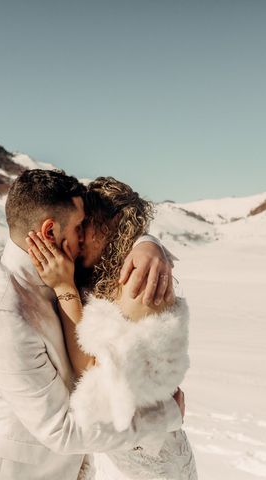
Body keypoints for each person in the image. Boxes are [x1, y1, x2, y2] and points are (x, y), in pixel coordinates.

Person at [0, 169, 184, 480]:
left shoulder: (60, 272)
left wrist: (148, 244)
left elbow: (119, 227)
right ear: (50, 232)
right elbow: (62, 431)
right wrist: (164, 417)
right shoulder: (3, 315)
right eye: (80, 227)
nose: (83, 236)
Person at [27, 177, 197, 479]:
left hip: (146, 461)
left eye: (86, 226)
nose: (77, 238)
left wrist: (65, 287)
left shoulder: (139, 282)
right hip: (120, 450)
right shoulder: (104, 273)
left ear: (114, 223)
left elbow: (94, 374)